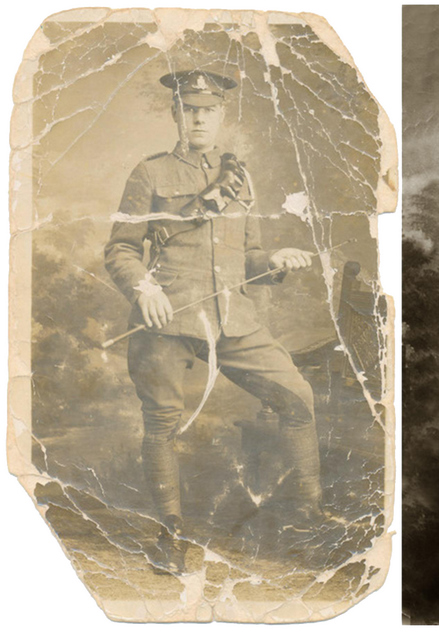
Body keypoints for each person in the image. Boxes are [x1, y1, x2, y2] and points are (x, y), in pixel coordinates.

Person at [105, 69, 323, 574]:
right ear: (176, 114)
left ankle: (306, 520)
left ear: (222, 115)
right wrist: (145, 289)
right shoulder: (150, 173)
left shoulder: (238, 178)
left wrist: (276, 261)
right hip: (168, 317)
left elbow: (247, 256)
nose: (199, 117)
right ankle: (170, 535)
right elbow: (120, 248)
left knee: (298, 398)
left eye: (209, 109)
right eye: (190, 108)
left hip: (232, 318)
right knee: (162, 421)